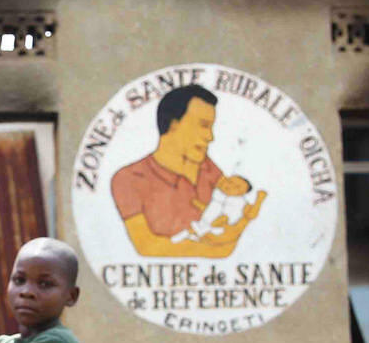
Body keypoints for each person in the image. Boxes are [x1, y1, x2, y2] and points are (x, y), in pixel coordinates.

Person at [109, 83, 267, 258]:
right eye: (203, 125)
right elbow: (148, 247)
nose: (210, 137)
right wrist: (218, 244)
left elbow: (232, 216)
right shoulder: (129, 178)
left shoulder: (208, 166)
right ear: (174, 124)